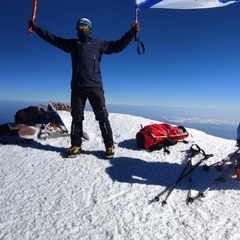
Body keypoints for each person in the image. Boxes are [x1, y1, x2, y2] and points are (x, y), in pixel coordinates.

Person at [29, 17, 140, 159]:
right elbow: (53, 39)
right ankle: (76, 146)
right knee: (76, 117)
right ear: (77, 28)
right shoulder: (73, 44)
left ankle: (109, 146)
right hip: (77, 88)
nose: (83, 28)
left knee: (102, 117)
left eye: (86, 25)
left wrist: (131, 33)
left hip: (95, 86)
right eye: (80, 25)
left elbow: (117, 46)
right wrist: (37, 28)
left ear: (90, 28)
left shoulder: (98, 44)